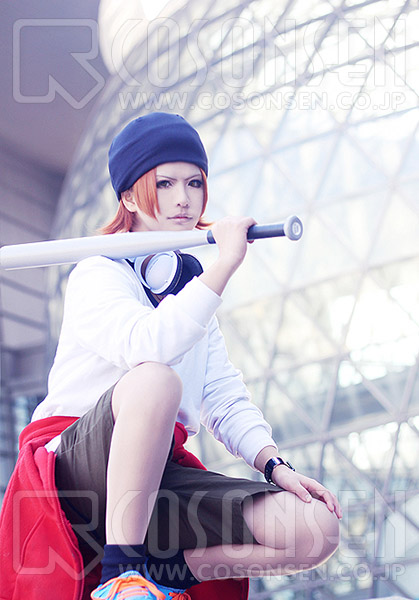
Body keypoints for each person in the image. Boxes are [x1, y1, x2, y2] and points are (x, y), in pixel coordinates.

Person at [30, 112, 341, 600]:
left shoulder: (191, 291)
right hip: (76, 468)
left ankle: (166, 572)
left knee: (315, 527)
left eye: (194, 182)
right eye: (165, 183)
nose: (184, 198)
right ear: (129, 197)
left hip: (157, 474)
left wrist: (275, 465)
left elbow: (222, 395)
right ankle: (119, 578)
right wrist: (224, 266)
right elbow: (148, 347)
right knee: (156, 380)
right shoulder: (98, 272)